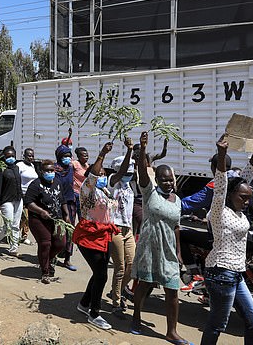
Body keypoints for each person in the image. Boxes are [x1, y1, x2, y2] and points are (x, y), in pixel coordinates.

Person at [201, 135, 253, 344]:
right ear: (230, 195)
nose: (247, 202)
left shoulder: (238, 210)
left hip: (237, 273)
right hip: (220, 273)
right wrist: (222, 154)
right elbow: (221, 185)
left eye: (249, 198)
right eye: (243, 198)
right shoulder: (219, 211)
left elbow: (246, 177)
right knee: (217, 325)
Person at [130, 131, 189, 345]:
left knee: (172, 290)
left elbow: (176, 227)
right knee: (145, 285)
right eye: (163, 180)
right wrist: (143, 148)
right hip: (149, 245)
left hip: (169, 250)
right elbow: (143, 174)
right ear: (158, 180)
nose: (167, 183)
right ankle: (136, 315)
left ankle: (171, 331)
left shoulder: (178, 200)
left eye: (170, 180)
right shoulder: (150, 193)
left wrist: (179, 252)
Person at [73, 142, 121, 330]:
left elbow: (118, 175)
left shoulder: (105, 191)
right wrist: (102, 154)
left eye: (104, 174)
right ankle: (94, 313)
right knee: (101, 275)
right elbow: (93, 175)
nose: (102, 176)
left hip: (104, 235)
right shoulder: (87, 189)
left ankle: (84, 304)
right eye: (99, 174)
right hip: (89, 236)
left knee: (99, 273)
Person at [24, 159, 69, 284]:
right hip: (39, 219)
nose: (50, 172)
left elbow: (62, 199)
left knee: (61, 243)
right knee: (45, 244)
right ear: (41, 171)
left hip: (56, 219)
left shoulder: (58, 183)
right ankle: (45, 272)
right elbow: (28, 202)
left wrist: (66, 214)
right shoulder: (35, 184)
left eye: (52, 170)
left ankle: (47, 260)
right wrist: (41, 211)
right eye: (47, 171)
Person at [108, 138, 136, 313]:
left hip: (128, 230)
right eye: (127, 170)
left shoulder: (129, 186)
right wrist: (129, 151)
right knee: (120, 268)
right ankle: (117, 302)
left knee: (132, 267)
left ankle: (116, 291)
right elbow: (122, 171)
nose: (129, 173)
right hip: (115, 229)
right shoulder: (114, 181)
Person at [0, 146, 23, 256]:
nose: (11, 158)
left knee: (16, 225)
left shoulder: (17, 168)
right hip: (6, 201)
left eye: (13, 156)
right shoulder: (2, 169)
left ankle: (14, 248)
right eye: (8, 156)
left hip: (18, 200)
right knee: (8, 225)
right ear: (4, 156)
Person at [54, 143, 77, 271]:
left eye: (69, 156)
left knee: (70, 231)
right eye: (64, 156)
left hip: (70, 202)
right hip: (57, 203)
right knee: (57, 231)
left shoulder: (70, 168)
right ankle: (53, 255)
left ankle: (67, 259)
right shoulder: (55, 170)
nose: (67, 158)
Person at [17, 148, 39, 245]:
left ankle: (24, 236)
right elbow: (16, 180)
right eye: (29, 155)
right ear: (24, 156)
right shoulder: (19, 166)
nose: (31, 157)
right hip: (22, 194)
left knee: (28, 217)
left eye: (32, 156)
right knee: (22, 216)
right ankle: (15, 235)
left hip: (31, 196)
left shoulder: (32, 166)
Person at [72, 147, 90, 220]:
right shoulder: (75, 164)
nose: (86, 157)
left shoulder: (87, 165)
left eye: (87, 155)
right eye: (84, 155)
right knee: (73, 215)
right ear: (79, 156)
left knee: (82, 216)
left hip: (83, 194)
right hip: (75, 192)